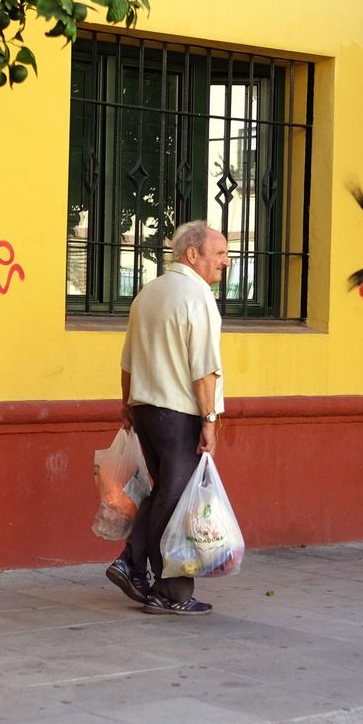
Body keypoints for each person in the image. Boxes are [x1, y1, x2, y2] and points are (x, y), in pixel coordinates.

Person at [106, 220, 229, 615]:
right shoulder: (198, 296)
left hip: (146, 411)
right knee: (177, 501)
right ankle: (153, 579)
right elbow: (204, 368)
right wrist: (209, 420)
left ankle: (145, 572)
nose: (225, 263)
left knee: (165, 495)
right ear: (192, 254)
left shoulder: (149, 292)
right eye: (220, 254)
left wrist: (126, 404)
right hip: (179, 415)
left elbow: (127, 360)